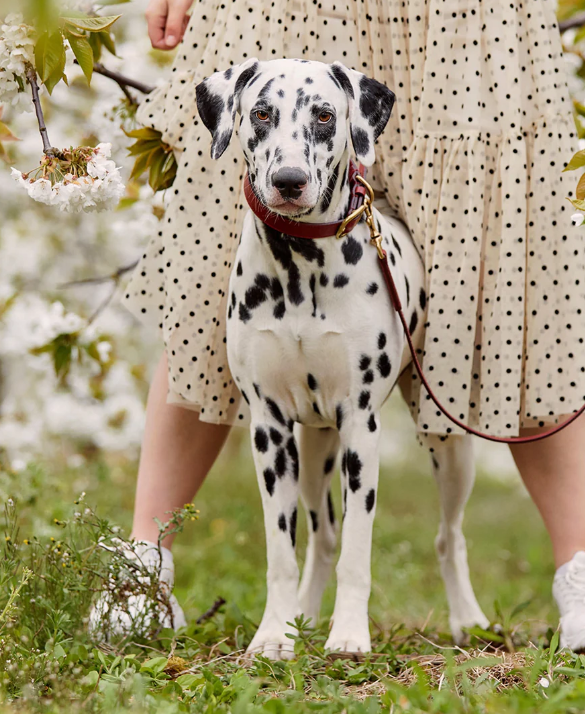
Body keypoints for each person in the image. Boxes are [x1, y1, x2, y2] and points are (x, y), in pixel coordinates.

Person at [109, 0, 585, 650]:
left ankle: (579, 569)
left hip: (465, 18)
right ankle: (143, 568)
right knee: (216, 273)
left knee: (506, 281)